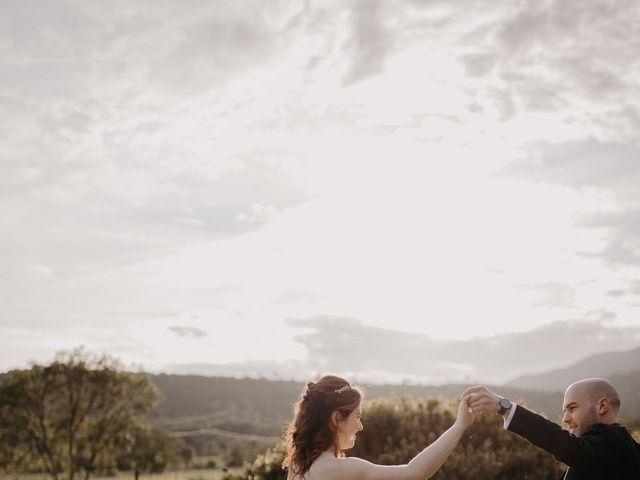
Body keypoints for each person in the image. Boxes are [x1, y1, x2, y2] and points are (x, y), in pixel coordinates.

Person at [282, 375, 474, 480]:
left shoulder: (298, 465)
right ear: (337, 418)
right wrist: (460, 425)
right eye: (357, 416)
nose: (360, 426)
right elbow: (414, 473)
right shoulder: (339, 469)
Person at [463, 378, 640, 479]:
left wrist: (506, 408)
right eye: (564, 411)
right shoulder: (629, 449)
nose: (565, 419)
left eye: (572, 408)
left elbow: (570, 447)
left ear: (602, 406)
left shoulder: (609, 439)